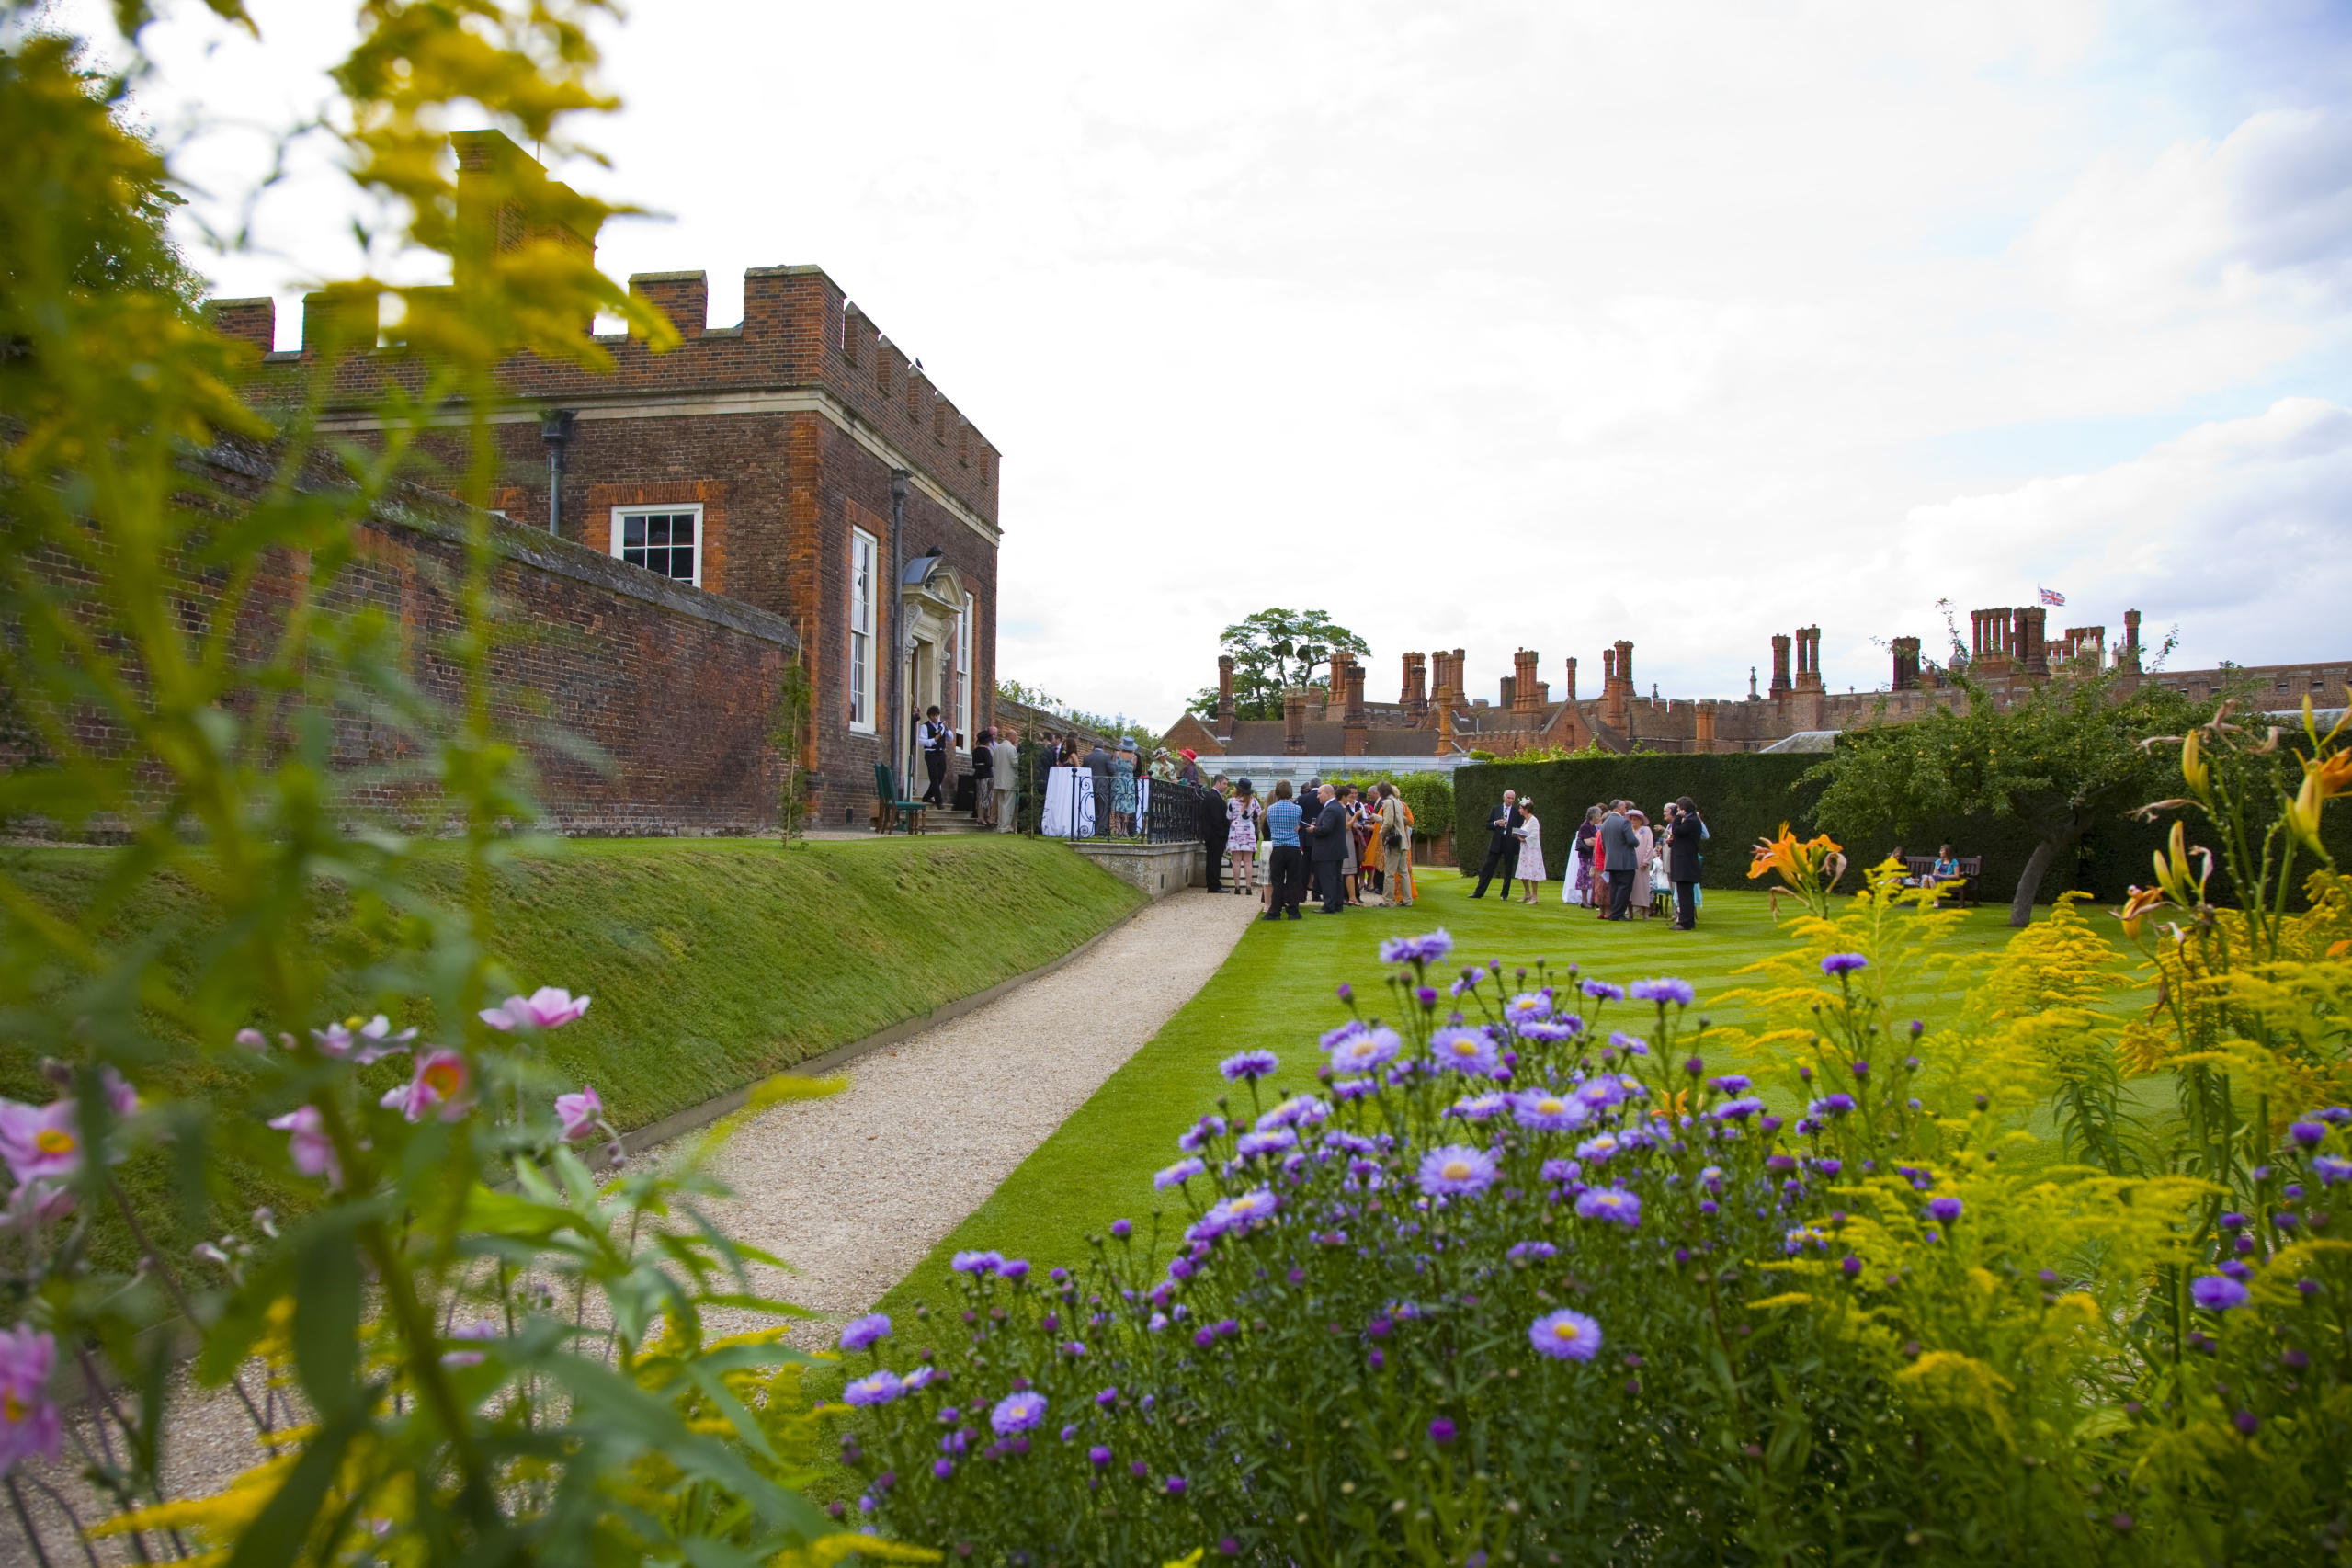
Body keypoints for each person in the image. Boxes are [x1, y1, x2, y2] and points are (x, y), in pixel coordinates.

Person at [1263, 780, 1304, 920]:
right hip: (1293, 847)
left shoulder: (1271, 809)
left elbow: (1270, 825)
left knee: (1277, 881)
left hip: (1278, 847)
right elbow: (1297, 824)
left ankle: (1275, 910)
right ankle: (1293, 911)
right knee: (1293, 881)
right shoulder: (1297, 809)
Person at [1470, 789, 1522, 898]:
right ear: (1504, 797)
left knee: (1508, 870)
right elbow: (1488, 825)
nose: (1510, 800)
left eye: (1512, 798)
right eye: (1508, 798)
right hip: (1496, 843)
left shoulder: (1517, 812)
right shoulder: (1496, 809)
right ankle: (1478, 892)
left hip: (1509, 844)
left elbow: (1519, 828)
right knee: (1487, 868)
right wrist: (1495, 823)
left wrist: (1514, 837)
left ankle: (1504, 894)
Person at [1307, 783, 1348, 913]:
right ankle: (1337, 904)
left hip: (1328, 850)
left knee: (1328, 879)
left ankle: (1329, 905)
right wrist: (1318, 824)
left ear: (1328, 793)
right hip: (1336, 849)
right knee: (1336, 879)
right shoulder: (1338, 807)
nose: (1317, 796)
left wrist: (1314, 829)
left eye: (1319, 793)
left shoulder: (1330, 808)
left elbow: (1326, 829)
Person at [1667, 796, 1705, 929]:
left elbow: (1676, 830)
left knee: (1685, 894)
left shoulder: (1691, 821)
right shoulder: (1690, 821)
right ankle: (1685, 920)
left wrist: (1677, 817)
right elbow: (1681, 836)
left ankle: (1686, 922)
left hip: (1685, 862)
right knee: (1684, 892)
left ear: (1683, 808)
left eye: (1678, 808)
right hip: (1684, 860)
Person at [1375, 781, 1415, 908]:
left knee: (1389, 873)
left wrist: (1381, 833)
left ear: (1381, 792)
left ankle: (1388, 901)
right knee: (1403, 872)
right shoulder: (1398, 801)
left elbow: (1388, 823)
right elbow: (1394, 820)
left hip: (1394, 841)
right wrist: (1377, 818)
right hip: (1402, 840)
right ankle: (1408, 900)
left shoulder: (1387, 802)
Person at [1598, 799, 1639, 920]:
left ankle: (1614, 913)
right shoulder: (1624, 823)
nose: (1625, 810)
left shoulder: (1605, 823)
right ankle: (1618, 913)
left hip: (1611, 860)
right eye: (1625, 807)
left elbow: (1604, 844)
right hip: (1625, 861)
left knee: (1614, 887)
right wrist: (1637, 842)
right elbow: (1632, 840)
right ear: (1620, 807)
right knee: (1624, 887)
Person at [1226, 779, 1260, 895]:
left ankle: (1237, 887)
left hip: (1235, 830)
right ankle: (1248, 887)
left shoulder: (1232, 801)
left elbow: (1228, 816)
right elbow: (1258, 815)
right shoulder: (1253, 801)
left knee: (1236, 860)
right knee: (1248, 861)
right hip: (1248, 830)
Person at [1565, 804, 1601, 906]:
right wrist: (1597, 841)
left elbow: (1593, 841)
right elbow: (1588, 842)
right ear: (1593, 816)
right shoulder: (1585, 826)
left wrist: (1595, 841)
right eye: (1599, 815)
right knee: (1584, 877)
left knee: (1589, 877)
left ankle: (1589, 900)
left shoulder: (1593, 827)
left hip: (1590, 855)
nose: (1600, 817)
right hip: (1585, 856)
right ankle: (1584, 901)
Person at [1199, 776, 1231, 891]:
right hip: (1215, 835)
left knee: (1213, 859)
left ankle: (1212, 883)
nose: (1226, 786)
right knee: (1214, 860)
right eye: (1225, 784)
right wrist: (1222, 833)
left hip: (1213, 834)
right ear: (1218, 783)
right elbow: (1216, 818)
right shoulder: (1213, 797)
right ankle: (1214, 884)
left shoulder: (1213, 796)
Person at [1513, 798, 1546, 904]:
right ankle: (1527, 894)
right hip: (1525, 850)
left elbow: (1535, 835)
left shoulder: (1533, 820)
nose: (1519, 810)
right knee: (1524, 871)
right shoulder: (1525, 820)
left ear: (1526, 809)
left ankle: (1535, 896)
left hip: (1532, 850)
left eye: (1521, 808)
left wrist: (1524, 839)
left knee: (1533, 872)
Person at [918, 705, 949, 806]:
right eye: (933, 716)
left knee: (940, 776)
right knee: (934, 777)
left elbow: (950, 738)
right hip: (931, 753)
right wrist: (933, 740)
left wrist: (947, 729)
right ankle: (938, 801)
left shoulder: (942, 725)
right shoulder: (925, 726)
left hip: (941, 752)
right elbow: (921, 741)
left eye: (936, 715)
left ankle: (927, 796)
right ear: (929, 716)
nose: (935, 718)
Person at [1082, 736, 1112, 835]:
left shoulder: (1087, 757)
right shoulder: (1107, 756)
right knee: (1103, 808)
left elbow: (1083, 771)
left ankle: (1091, 827)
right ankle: (1101, 829)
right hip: (1103, 785)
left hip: (1089, 785)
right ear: (1103, 746)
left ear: (1093, 746)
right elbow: (1112, 770)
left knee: (1091, 807)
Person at [992, 727, 1020, 833]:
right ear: (1011, 738)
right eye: (1016, 737)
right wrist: (1020, 757)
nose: (1016, 739)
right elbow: (1015, 763)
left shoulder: (997, 748)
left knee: (1001, 804)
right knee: (1008, 805)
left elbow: (994, 763)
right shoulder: (1011, 749)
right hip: (1009, 781)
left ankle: (1000, 826)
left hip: (999, 780)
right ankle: (1005, 827)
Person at [1111, 738, 1139, 834]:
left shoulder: (1116, 754)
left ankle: (1117, 828)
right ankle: (1125, 830)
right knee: (1127, 807)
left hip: (1118, 781)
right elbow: (1134, 768)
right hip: (1128, 783)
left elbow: (1112, 766)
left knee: (1117, 805)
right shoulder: (1134, 757)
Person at [971, 727, 994, 826]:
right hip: (987, 775)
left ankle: (980, 816)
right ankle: (984, 816)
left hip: (978, 775)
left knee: (980, 796)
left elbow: (973, 765)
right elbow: (989, 763)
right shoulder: (986, 751)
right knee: (987, 796)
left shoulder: (975, 751)